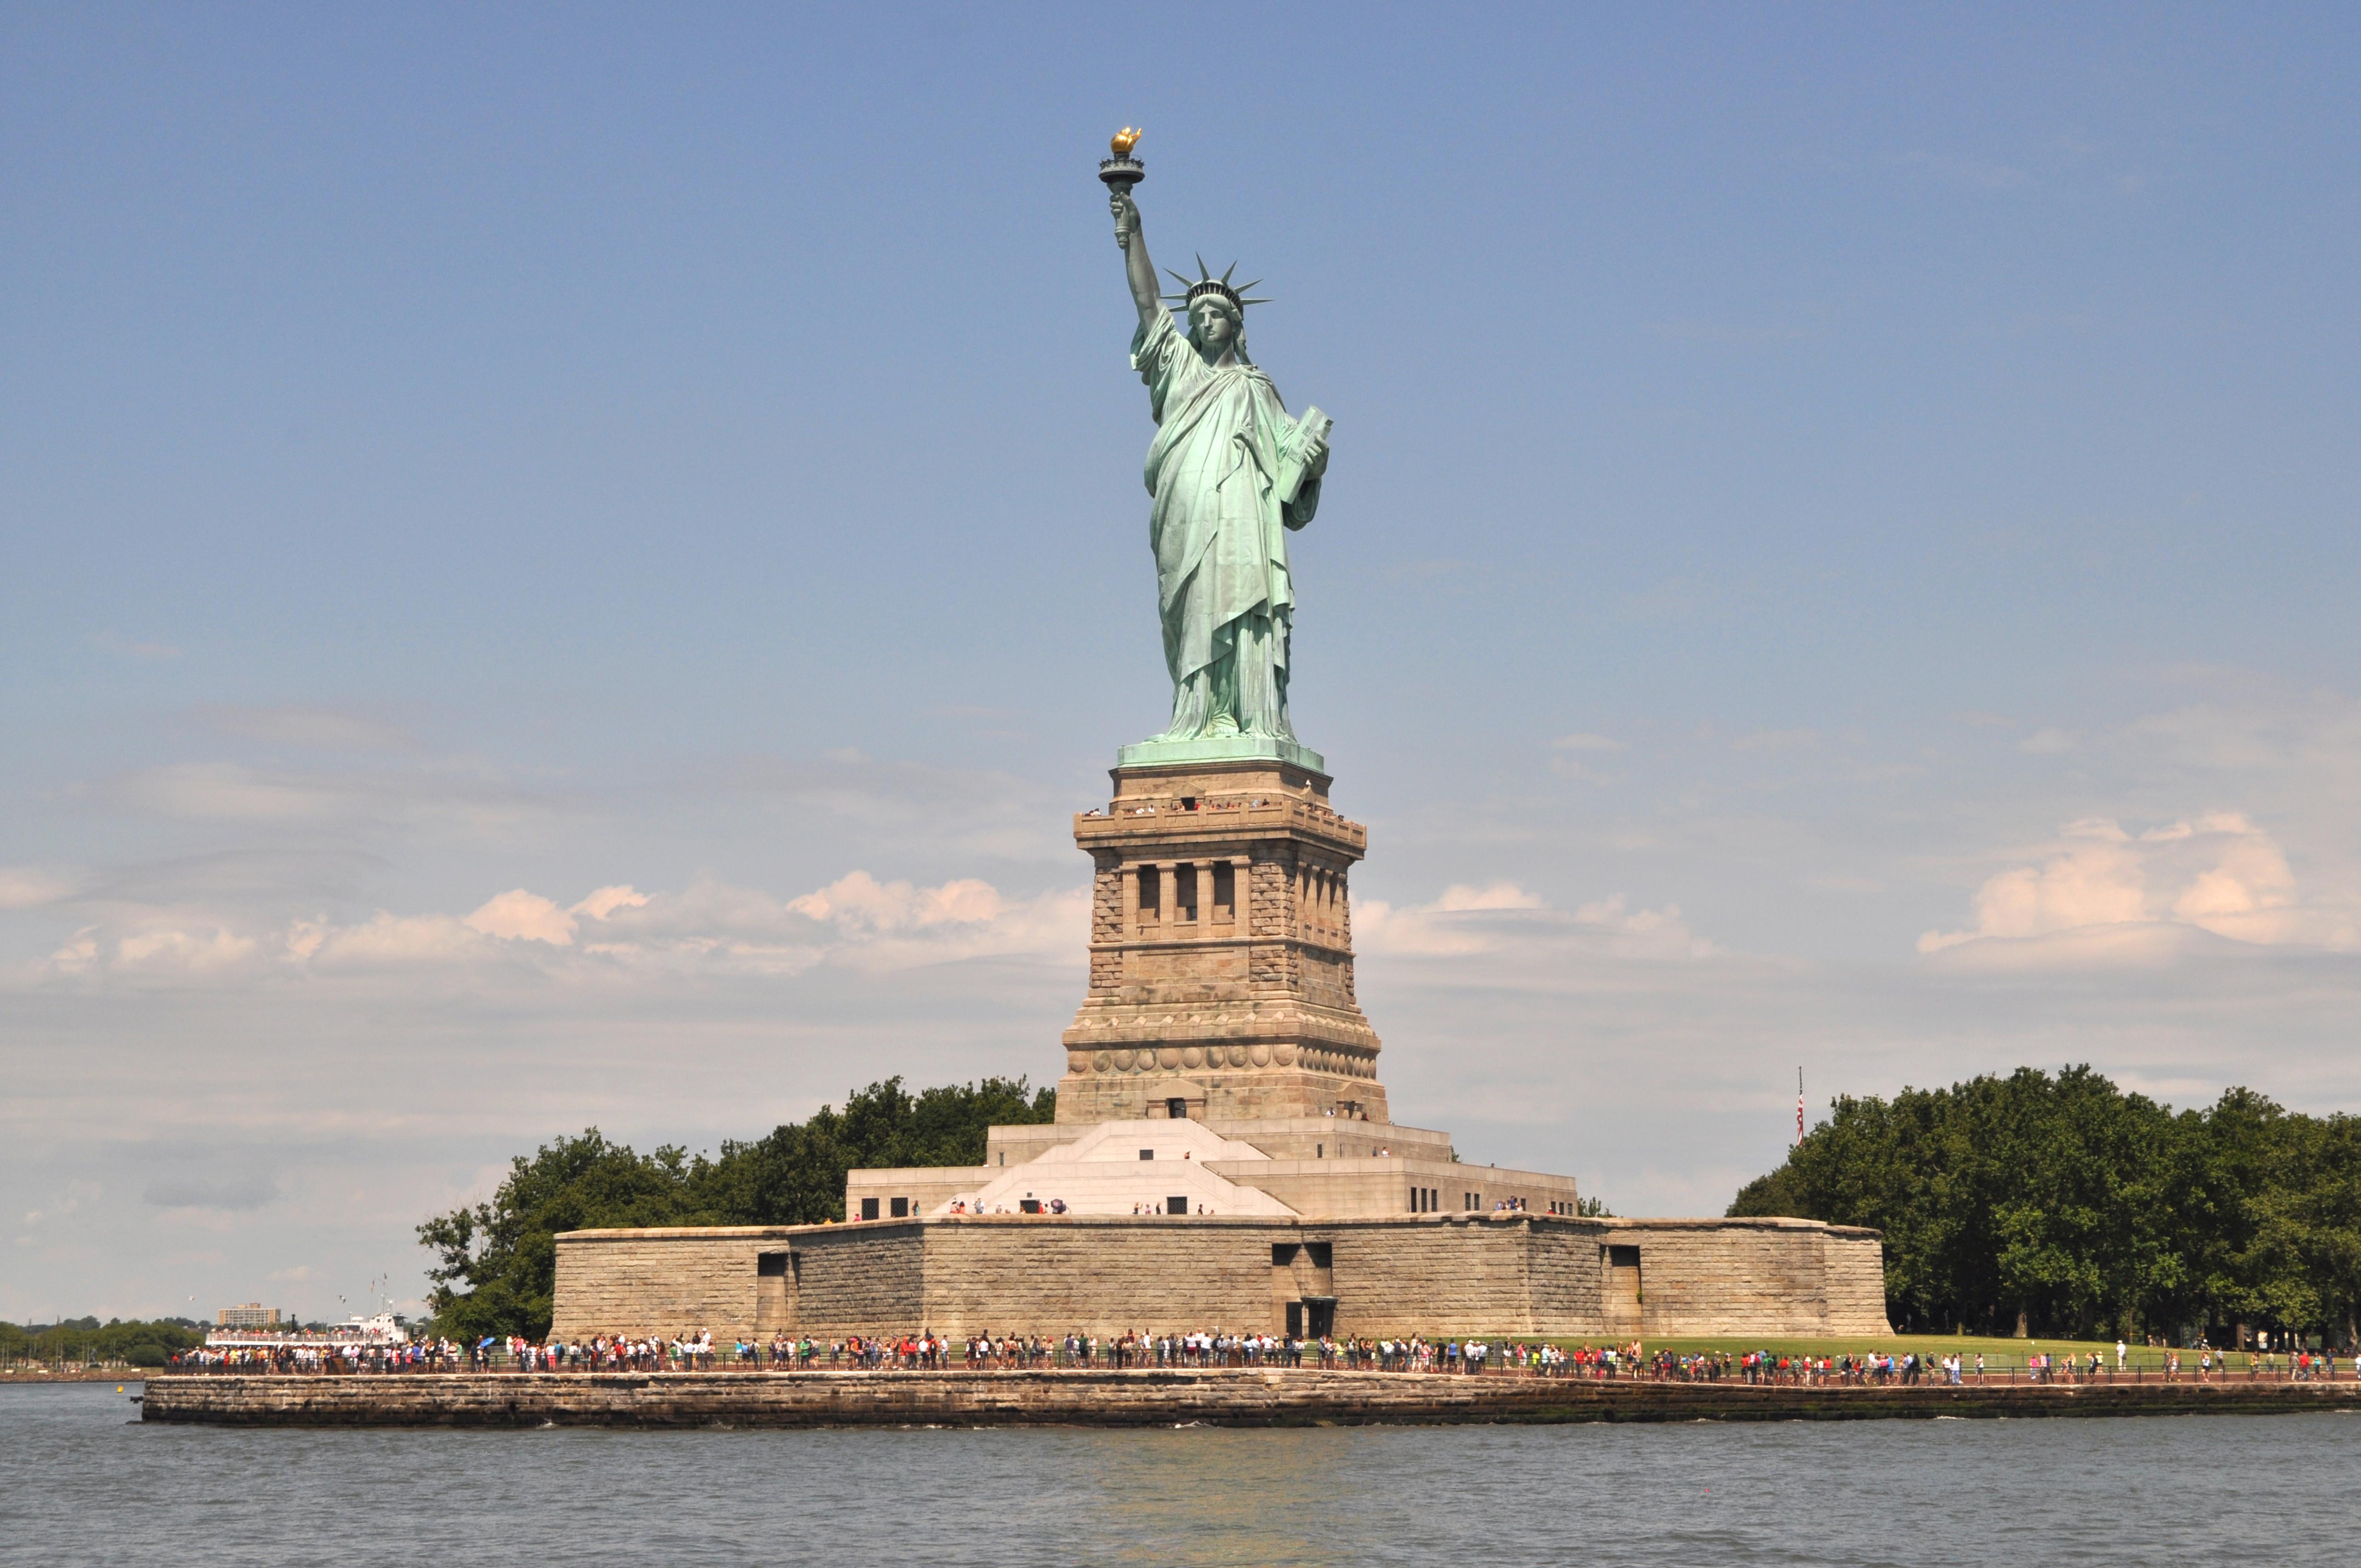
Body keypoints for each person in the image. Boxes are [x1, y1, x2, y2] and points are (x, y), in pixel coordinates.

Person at [1108, 180, 1327, 742]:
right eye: (1198, 314)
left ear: (1235, 323)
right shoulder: (1180, 371)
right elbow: (1148, 303)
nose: (1204, 321)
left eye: (1215, 314)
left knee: (1243, 604)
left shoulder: (1257, 388)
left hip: (1243, 520)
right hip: (1187, 510)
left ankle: (1252, 717)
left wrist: (1313, 461)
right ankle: (1196, 716)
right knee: (1192, 605)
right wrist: (1132, 232)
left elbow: (1290, 480)